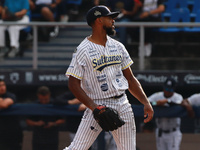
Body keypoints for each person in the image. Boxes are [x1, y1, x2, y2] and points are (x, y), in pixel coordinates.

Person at [64, 5, 154, 150]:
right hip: (98, 104)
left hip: (123, 103)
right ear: (99, 20)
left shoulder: (118, 46)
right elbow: (73, 84)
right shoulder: (83, 50)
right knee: (77, 148)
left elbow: (130, 79)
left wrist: (145, 102)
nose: (113, 20)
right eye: (109, 18)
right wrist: (94, 108)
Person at [148, 77, 183, 150]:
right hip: (161, 132)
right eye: (166, 89)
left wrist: (167, 101)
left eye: (170, 90)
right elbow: (146, 103)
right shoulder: (157, 95)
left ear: (173, 89)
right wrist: (156, 103)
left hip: (173, 132)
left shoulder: (178, 97)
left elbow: (178, 104)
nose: (167, 92)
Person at [26, 86, 65, 150]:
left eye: (46, 99)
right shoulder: (34, 105)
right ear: (38, 95)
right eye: (42, 99)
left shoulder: (55, 104)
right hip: (38, 139)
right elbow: (28, 120)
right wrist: (36, 123)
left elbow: (62, 120)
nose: (44, 101)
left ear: (49, 95)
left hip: (52, 139)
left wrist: (53, 123)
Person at [0, 79, 23, 150]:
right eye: (0, 86)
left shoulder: (11, 95)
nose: (2, 87)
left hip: (13, 134)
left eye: (3, 85)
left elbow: (4, 105)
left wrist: (1, 101)